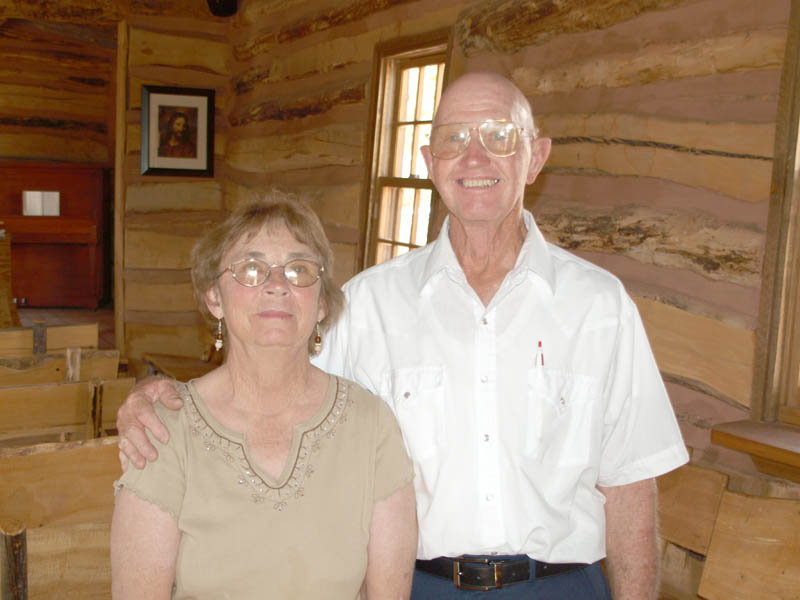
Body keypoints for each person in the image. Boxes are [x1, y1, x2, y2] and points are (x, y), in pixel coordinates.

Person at [117, 72, 689, 599]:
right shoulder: (370, 304)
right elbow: (275, 387)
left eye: (499, 136)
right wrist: (157, 398)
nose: (474, 156)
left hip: (562, 586)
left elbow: (631, 488)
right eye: (453, 138)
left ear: (535, 157)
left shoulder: (599, 306)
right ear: (429, 161)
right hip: (416, 585)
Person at [110, 193, 417, 599]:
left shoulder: (371, 425)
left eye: (299, 269)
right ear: (215, 298)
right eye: (251, 269)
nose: (277, 286)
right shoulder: (164, 429)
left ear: (322, 303)